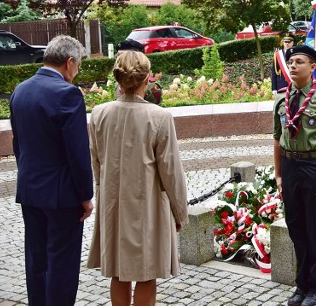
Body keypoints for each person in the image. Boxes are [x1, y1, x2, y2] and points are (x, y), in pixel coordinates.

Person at [87, 50, 188, 306]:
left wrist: (105, 188)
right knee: (147, 274)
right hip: (148, 206)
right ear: (147, 79)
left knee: (119, 272)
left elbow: (97, 163)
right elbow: (171, 172)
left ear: (117, 79)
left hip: (114, 203)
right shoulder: (159, 117)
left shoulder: (99, 113)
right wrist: (180, 212)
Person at [10, 34, 94, 305]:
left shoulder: (20, 90)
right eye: (78, 65)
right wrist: (85, 196)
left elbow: (18, 143)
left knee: (36, 261)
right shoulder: (67, 94)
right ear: (69, 62)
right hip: (62, 196)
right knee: (62, 265)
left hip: (30, 190)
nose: (77, 72)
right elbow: (78, 153)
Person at [273, 45, 316, 306]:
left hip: (314, 168)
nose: (292, 66)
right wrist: (278, 175)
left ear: (313, 67)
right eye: (290, 62)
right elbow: (277, 139)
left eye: (299, 62)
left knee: (315, 230)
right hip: (290, 168)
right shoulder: (281, 99)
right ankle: (301, 287)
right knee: (296, 229)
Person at [115, 39, 163, 105]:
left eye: (126, 57)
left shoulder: (150, 88)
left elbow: (154, 112)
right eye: (118, 56)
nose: (121, 60)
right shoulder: (118, 83)